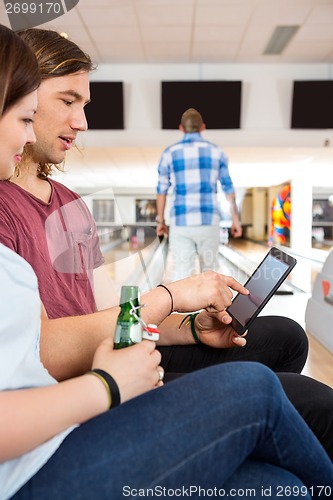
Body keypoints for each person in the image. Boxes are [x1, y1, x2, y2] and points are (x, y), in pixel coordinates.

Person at [2, 25, 333, 499]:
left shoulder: (71, 203)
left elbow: (117, 315)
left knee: (283, 335)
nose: (82, 122)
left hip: (106, 361)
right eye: (67, 101)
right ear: (24, 93)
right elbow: (45, 349)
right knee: (285, 418)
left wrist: (191, 326)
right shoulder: (3, 207)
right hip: (82, 385)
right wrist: (170, 296)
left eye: (85, 106)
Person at [156, 107, 242, 281]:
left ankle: (183, 309)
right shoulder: (217, 152)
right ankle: (210, 309)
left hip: (181, 222)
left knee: (181, 273)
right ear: (203, 127)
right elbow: (228, 188)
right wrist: (235, 220)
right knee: (210, 273)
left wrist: (161, 221)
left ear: (181, 128)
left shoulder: (169, 153)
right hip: (208, 222)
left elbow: (161, 191)